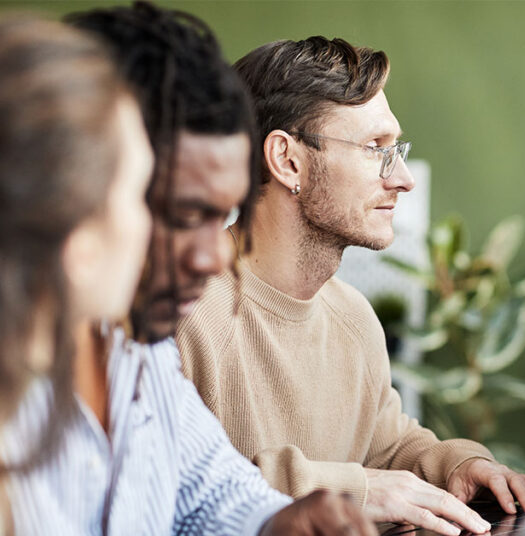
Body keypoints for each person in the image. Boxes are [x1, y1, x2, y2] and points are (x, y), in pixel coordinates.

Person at [0, 4, 373, 534]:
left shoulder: (140, 348)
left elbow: (208, 487)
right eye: (178, 213)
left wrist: (274, 523)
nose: (217, 254)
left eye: (223, 215)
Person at [175, 36, 525, 536]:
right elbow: (178, 485)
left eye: (396, 150)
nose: (404, 179)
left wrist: (457, 466)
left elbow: (387, 446)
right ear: (287, 160)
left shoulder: (352, 315)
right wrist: (361, 489)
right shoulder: (180, 313)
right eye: (375, 149)